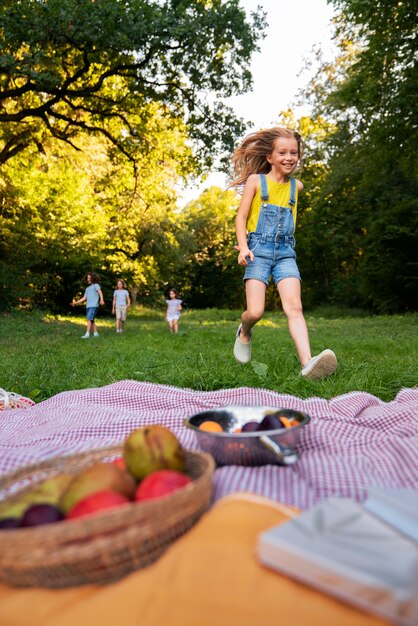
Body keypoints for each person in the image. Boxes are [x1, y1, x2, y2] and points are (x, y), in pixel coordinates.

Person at [231, 127, 337, 379]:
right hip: (257, 250)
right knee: (255, 312)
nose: (289, 157)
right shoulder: (257, 181)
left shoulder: (296, 187)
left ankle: (307, 363)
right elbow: (241, 217)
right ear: (270, 157)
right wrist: (243, 246)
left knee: (295, 308)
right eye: (283, 152)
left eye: (294, 152)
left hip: (286, 252)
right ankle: (244, 330)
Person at [71, 272, 105, 339]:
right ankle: (96, 333)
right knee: (91, 320)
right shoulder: (87, 289)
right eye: (87, 278)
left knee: (89, 319)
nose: (88, 279)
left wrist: (101, 300)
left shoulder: (96, 285)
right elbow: (84, 298)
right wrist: (76, 303)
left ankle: (87, 334)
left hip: (94, 305)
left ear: (93, 278)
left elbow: (100, 292)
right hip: (88, 306)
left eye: (90, 278)